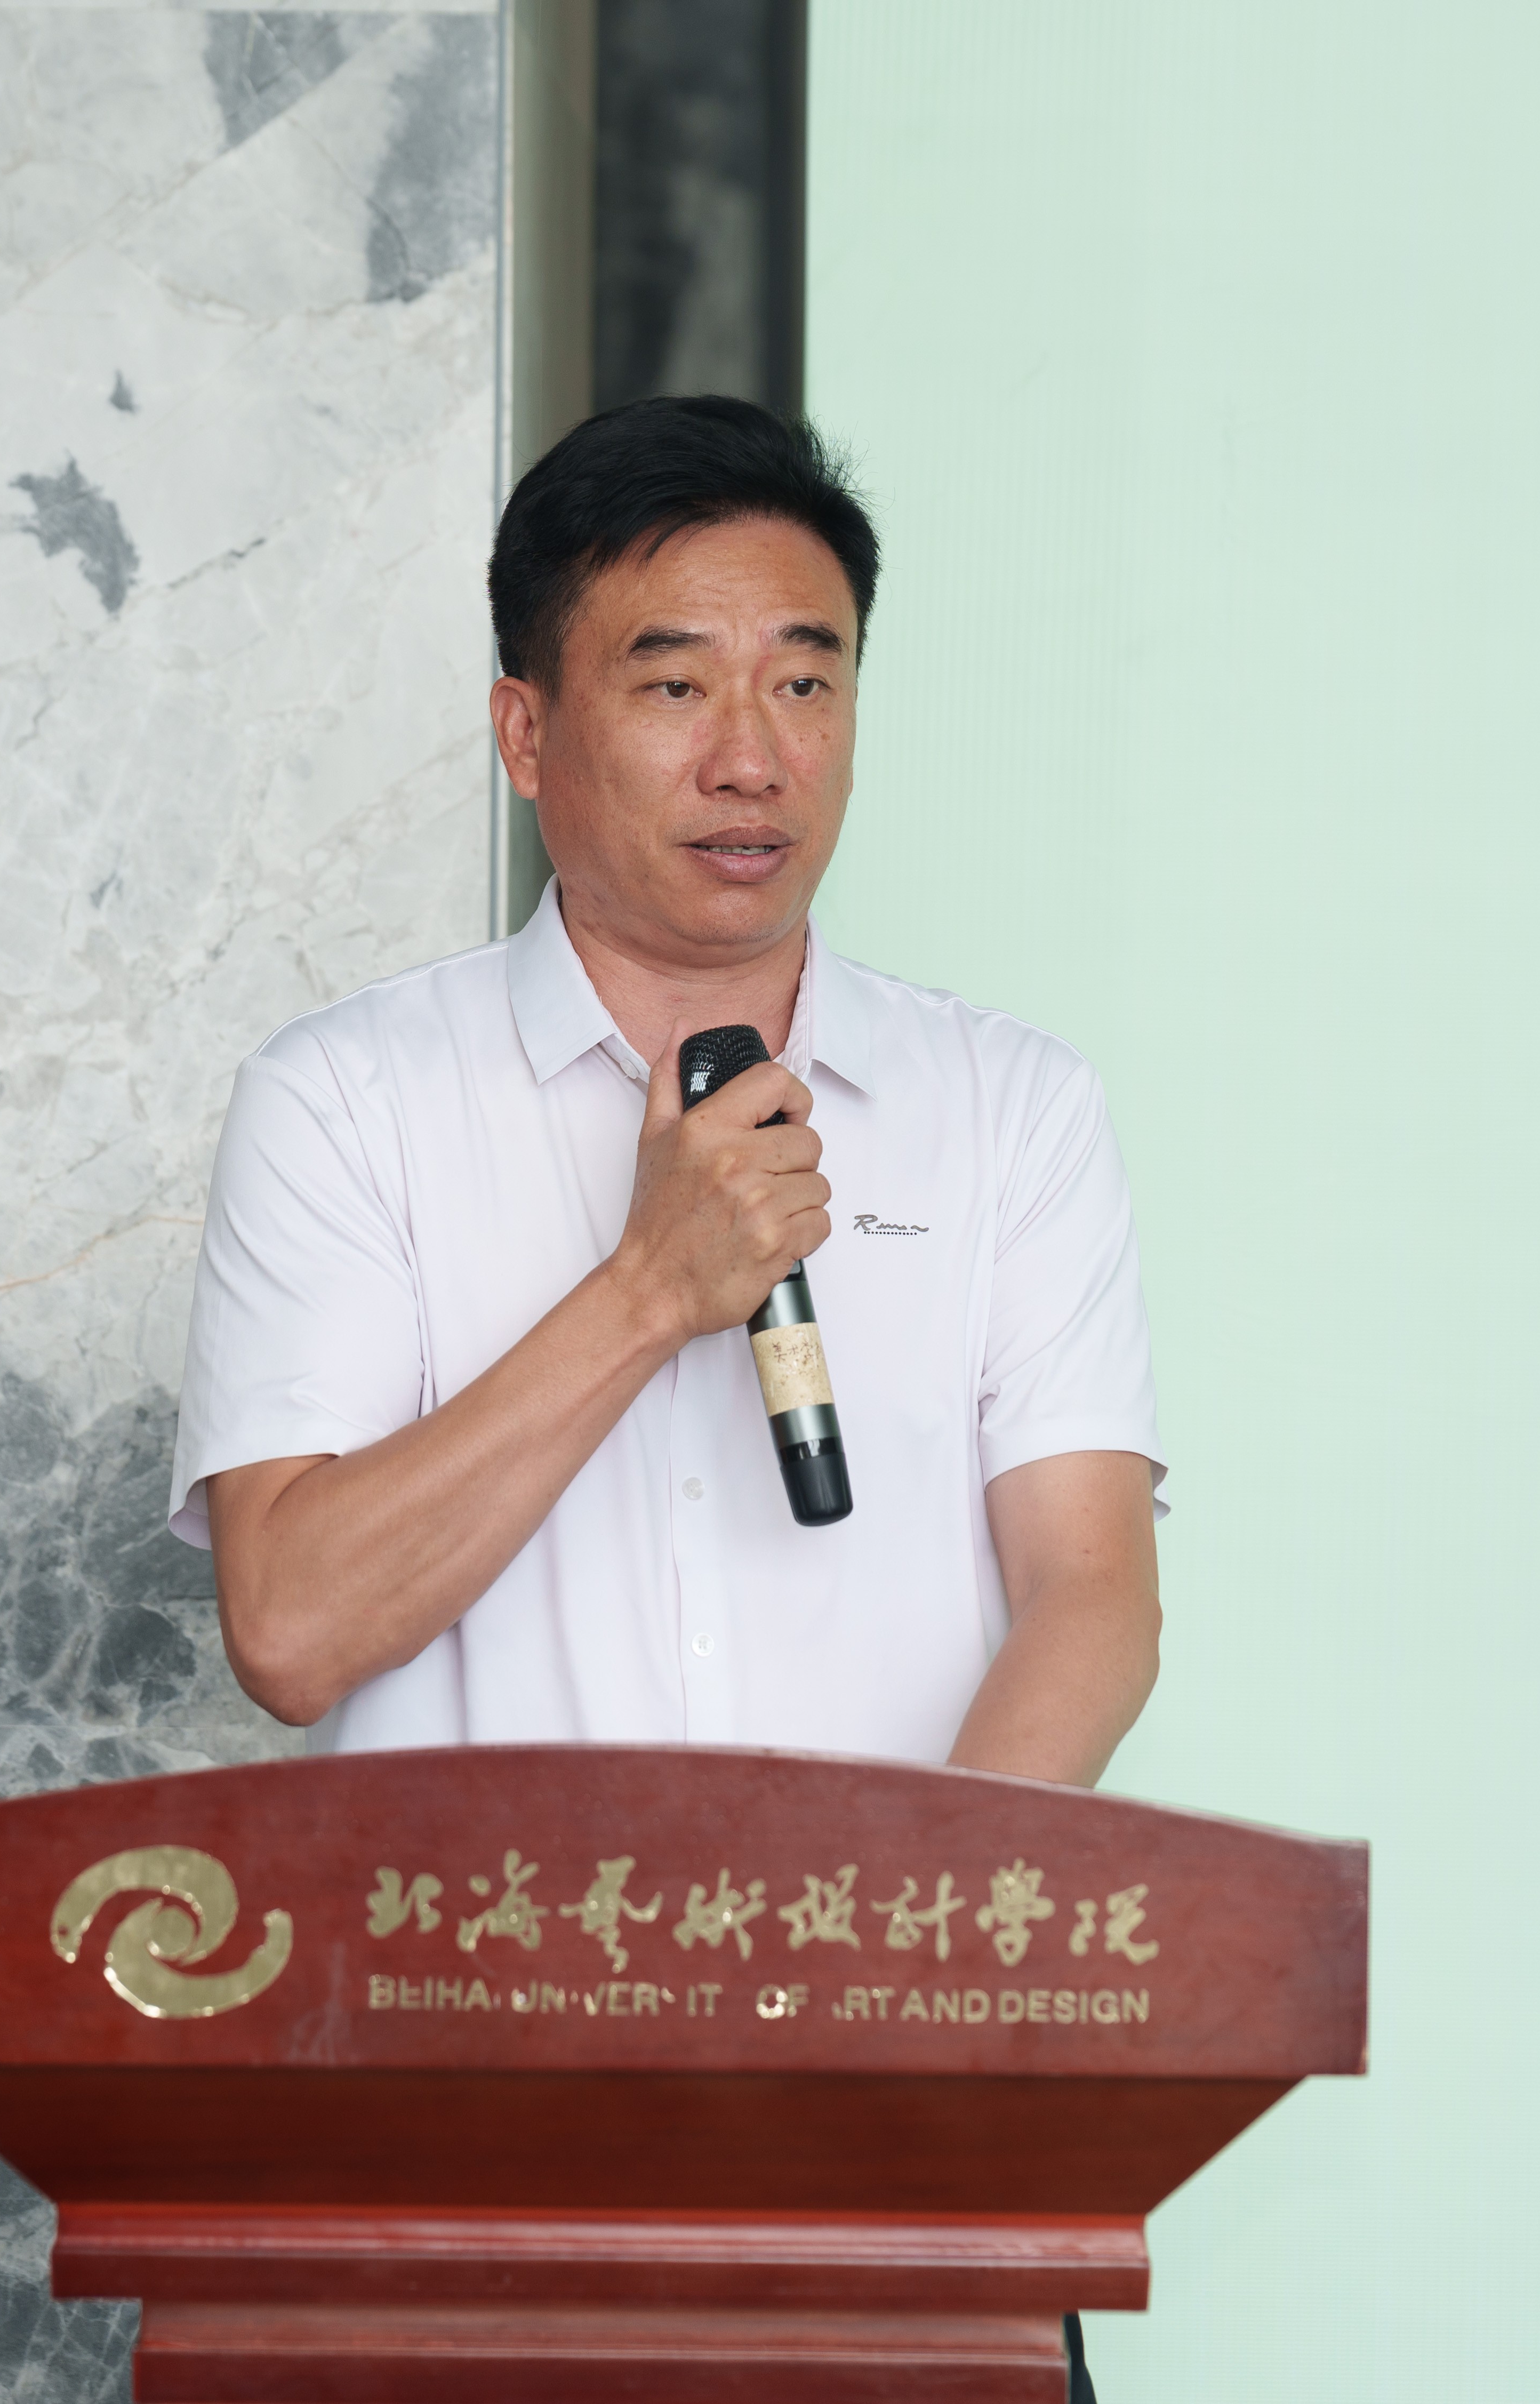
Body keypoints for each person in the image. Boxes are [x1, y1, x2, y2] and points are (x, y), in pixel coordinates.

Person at [166, 395, 1165, 1788]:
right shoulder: (344, 1101)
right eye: (676, 688)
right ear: (525, 735)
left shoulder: (1012, 1107)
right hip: (491, 1927)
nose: (752, 761)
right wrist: (650, 1288)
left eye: (804, 684)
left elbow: (1091, 1593)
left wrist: (908, 1907)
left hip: (878, 1920)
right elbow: (292, 1631)